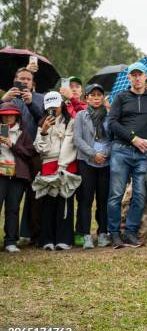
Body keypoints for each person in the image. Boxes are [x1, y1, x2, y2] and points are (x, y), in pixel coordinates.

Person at [107, 62, 147, 249]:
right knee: (116, 194)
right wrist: (133, 138)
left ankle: (130, 233)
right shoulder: (121, 98)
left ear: (146, 77)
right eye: (133, 75)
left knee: (139, 194)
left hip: (142, 154)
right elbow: (112, 123)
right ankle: (114, 234)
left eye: (140, 75)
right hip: (121, 150)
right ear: (129, 77)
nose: (137, 78)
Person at [3, 65, 44, 247]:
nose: (25, 82)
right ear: (15, 81)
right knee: (13, 197)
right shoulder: (9, 99)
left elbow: (44, 121)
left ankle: (34, 236)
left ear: (33, 83)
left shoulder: (40, 98)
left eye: (28, 79)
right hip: (10, 154)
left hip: (34, 153)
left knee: (35, 196)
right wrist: (3, 99)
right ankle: (13, 236)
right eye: (22, 79)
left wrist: (30, 103)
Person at [33, 92, 79, 250]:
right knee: (48, 203)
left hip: (66, 165)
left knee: (64, 201)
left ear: (62, 105)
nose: (54, 109)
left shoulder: (70, 121)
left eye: (56, 105)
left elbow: (71, 144)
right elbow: (40, 149)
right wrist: (44, 131)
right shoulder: (42, 124)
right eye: (50, 107)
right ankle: (47, 239)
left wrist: (63, 164)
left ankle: (64, 239)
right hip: (48, 165)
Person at [72, 84, 112, 249]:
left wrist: (105, 155)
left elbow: (113, 138)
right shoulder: (81, 116)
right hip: (86, 162)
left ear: (103, 97)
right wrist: (92, 154)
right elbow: (77, 139)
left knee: (103, 199)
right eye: (92, 95)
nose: (96, 98)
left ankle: (103, 233)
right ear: (86, 98)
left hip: (105, 162)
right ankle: (86, 234)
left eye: (99, 95)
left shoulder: (109, 116)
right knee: (86, 199)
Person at [0, 103, 36, 253]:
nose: (8, 117)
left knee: (13, 209)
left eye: (11, 114)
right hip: (0, 175)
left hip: (16, 176)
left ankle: (10, 241)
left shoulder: (23, 132)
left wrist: (12, 144)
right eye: (5, 114)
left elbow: (30, 153)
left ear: (17, 116)